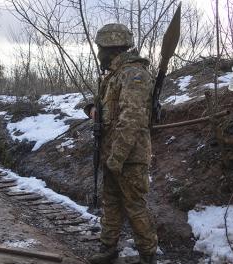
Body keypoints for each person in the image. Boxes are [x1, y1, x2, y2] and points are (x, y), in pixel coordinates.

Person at [84, 23, 158, 264]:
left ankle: (148, 256)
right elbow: (113, 113)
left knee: (135, 206)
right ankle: (108, 248)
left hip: (128, 157)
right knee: (112, 202)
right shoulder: (116, 75)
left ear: (112, 48)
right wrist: (95, 109)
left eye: (101, 49)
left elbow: (132, 120)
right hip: (113, 154)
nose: (98, 54)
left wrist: (116, 157)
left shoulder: (134, 74)